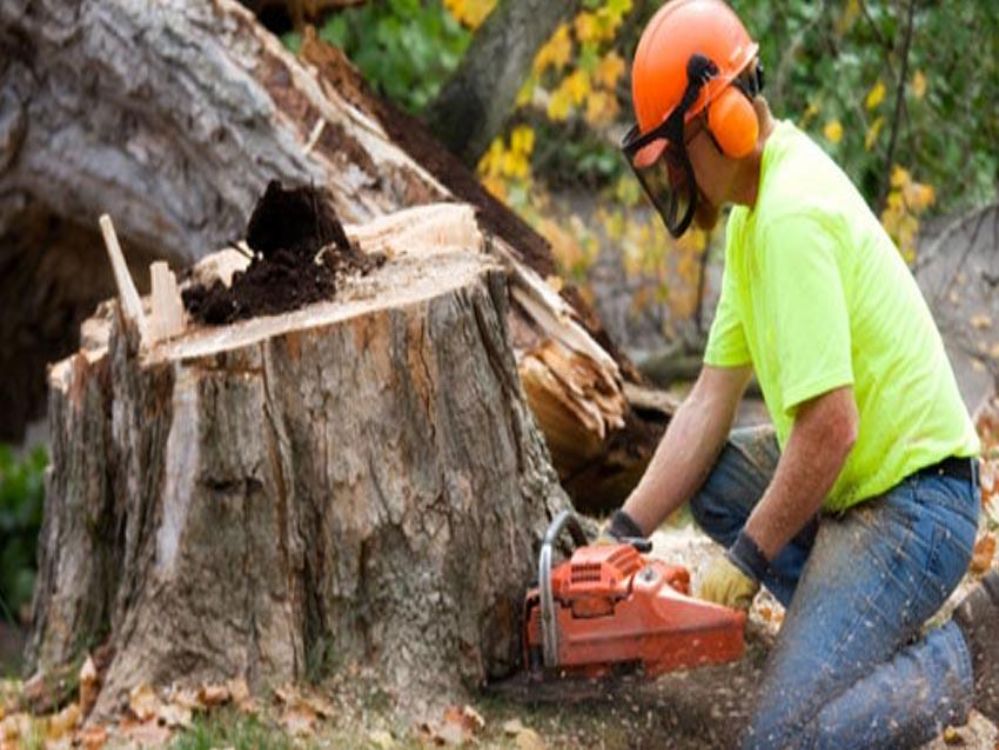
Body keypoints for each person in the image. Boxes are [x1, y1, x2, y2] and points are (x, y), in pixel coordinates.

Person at [606, 0, 999, 746]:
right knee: (716, 481)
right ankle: (846, 639)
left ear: (720, 122)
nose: (676, 176)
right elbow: (706, 402)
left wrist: (748, 558)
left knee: (783, 740)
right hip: (861, 483)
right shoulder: (753, 215)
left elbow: (829, 428)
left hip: (914, 505)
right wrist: (622, 534)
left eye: (676, 153)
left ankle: (969, 656)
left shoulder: (788, 216)